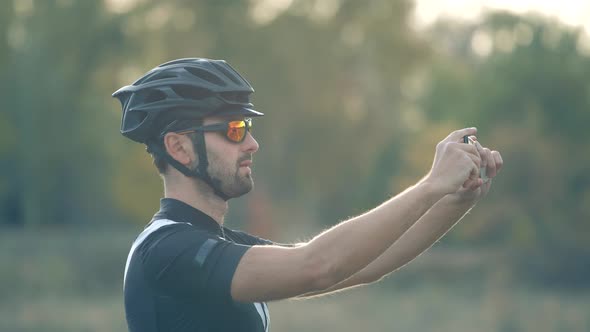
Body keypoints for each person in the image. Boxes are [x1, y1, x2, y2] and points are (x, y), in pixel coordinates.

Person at [113, 58, 503, 332]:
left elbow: (367, 264)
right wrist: (431, 184)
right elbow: (318, 267)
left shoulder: (214, 243)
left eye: (247, 126)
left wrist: (454, 201)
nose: (252, 143)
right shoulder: (167, 251)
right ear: (179, 147)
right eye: (234, 129)